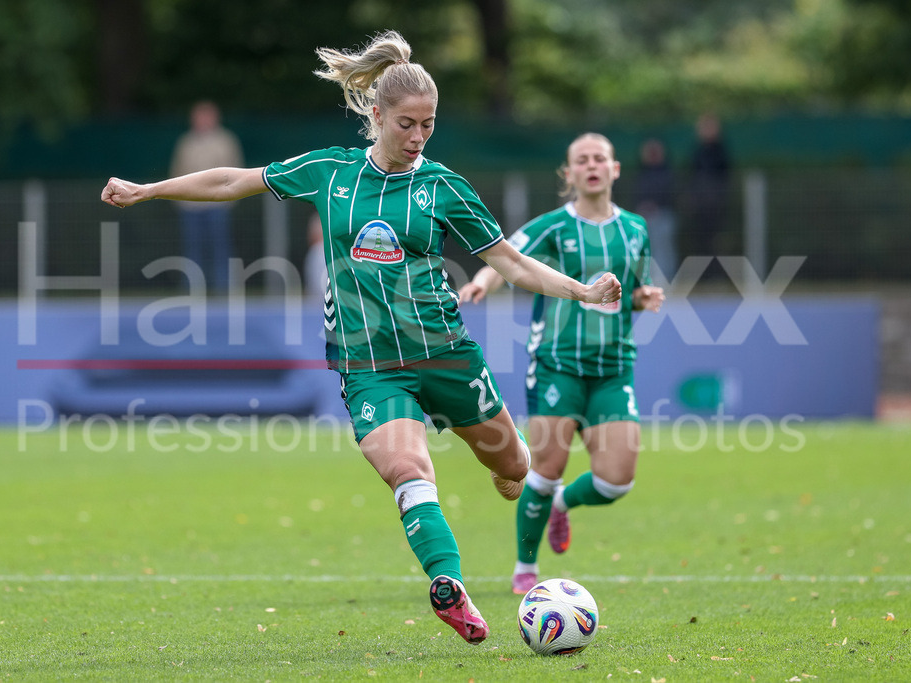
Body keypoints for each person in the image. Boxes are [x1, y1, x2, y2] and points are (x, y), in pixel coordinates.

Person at [101, 31, 621, 645]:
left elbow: (510, 262)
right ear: (375, 115)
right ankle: (449, 587)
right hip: (369, 366)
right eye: (407, 123)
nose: (419, 137)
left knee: (513, 469)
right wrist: (150, 190)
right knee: (406, 467)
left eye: (428, 125)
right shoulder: (329, 172)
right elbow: (231, 182)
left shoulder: (444, 187)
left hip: (447, 356)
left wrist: (581, 291)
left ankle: (503, 475)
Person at [458, 132, 664, 595]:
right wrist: (480, 283)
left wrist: (641, 296)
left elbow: (628, 291)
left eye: (600, 159)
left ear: (614, 170)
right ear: (568, 174)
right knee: (545, 469)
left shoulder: (635, 229)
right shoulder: (552, 225)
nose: (591, 165)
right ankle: (524, 568)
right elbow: (504, 257)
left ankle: (563, 505)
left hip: (614, 367)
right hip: (556, 365)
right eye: (581, 160)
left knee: (616, 481)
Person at [169, 100, 244, 293]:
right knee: (192, 249)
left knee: (221, 249)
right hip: (191, 207)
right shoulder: (186, 143)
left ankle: (224, 290)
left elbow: (236, 172)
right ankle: (192, 289)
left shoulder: (226, 141)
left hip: (218, 205)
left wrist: (229, 200)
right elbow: (177, 171)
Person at [686, 112, 730, 273]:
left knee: (716, 240)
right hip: (700, 205)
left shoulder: (721, 150)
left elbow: (724, 175)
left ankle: (716, 274)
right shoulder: (697, 151)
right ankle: (702, 274)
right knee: (700, 239)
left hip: (716, 205)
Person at [635, 137, 678, 279]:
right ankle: (649, 278)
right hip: (644, 217)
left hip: (663, 214)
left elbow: (672, 194)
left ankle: (666, 277)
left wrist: (656, 205)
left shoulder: (668, 172)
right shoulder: (641, 172)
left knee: (663, 248)